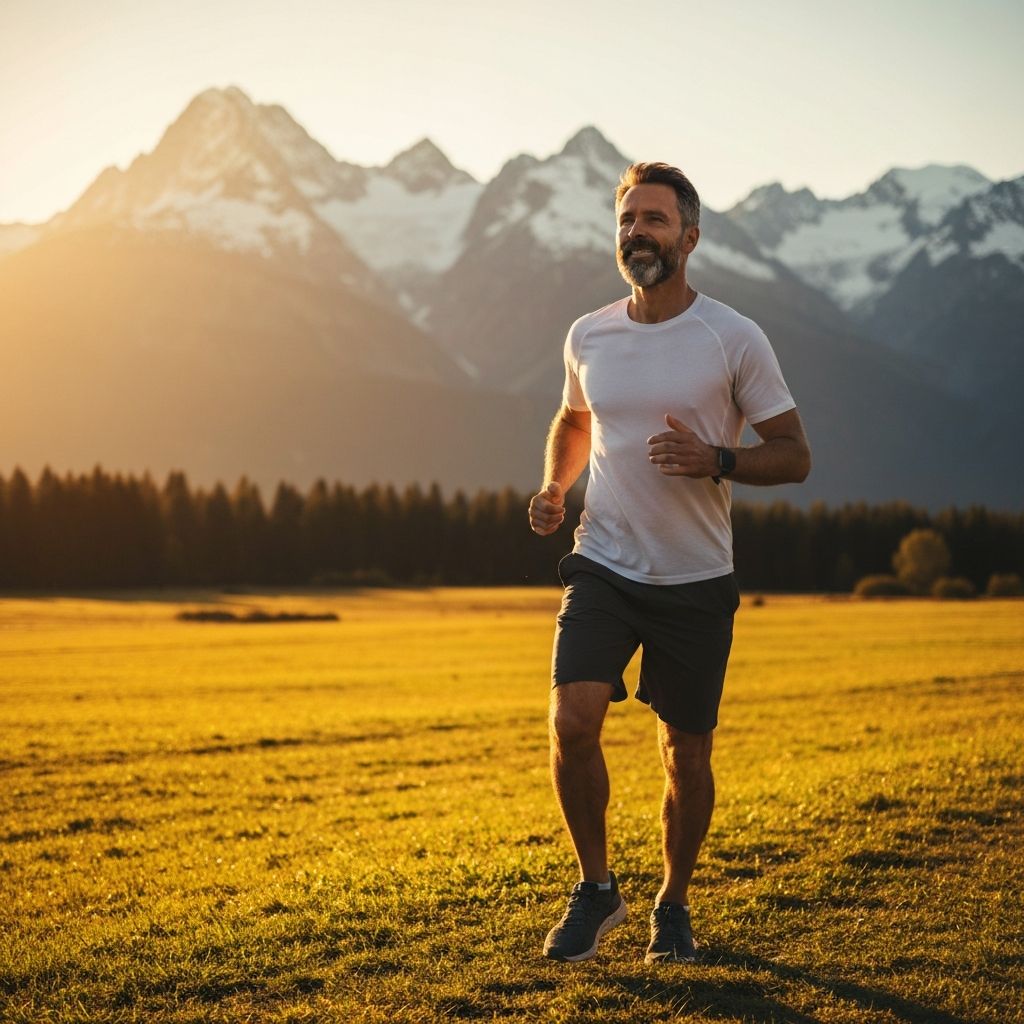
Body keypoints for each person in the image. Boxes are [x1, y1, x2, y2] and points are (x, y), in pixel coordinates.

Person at [528, 162, 811, 964]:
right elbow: (573, 416)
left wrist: (716, 459)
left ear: (689, 236)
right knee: (572, 720)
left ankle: (673, 905)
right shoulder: (589, 333)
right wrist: (555, 485)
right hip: (604, 563)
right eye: (627, 221)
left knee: (685, 752)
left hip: (695, 577)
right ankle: (596, 888)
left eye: (653, 220)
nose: (636, 234)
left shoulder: (733, 336)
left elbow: (794, 456)